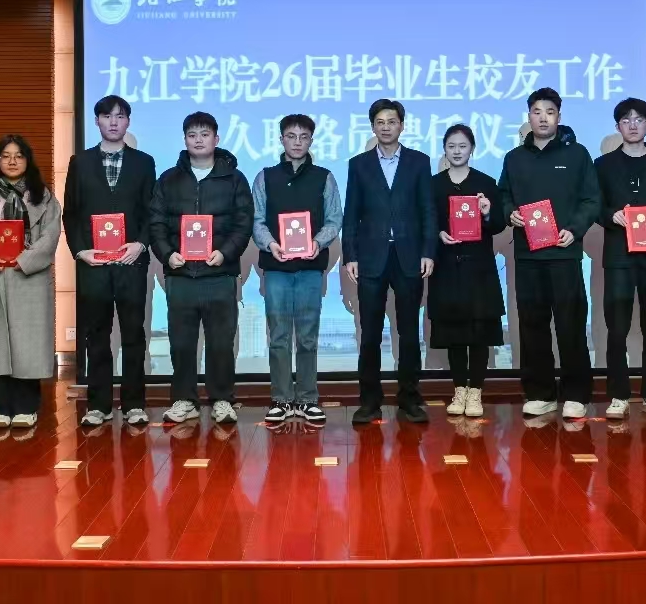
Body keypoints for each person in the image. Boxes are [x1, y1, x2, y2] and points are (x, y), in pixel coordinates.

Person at [498, 87, 600, 420]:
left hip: (564, 254)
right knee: (532, 326)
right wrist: (510, 212)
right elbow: (503, 195)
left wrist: (575, 229)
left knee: (571, 326)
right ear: (529, 116)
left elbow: (592, 199)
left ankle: (576, 394)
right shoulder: (514, 158)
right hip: (528, 256)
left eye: (550, 112)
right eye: (537, 112)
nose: (543, 118)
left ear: (559, 116)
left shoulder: (577, 154)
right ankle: (540, 392)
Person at [150, 111, 253, 426]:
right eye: (192, 134)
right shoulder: (169, 179)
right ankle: (184, 400)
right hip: (181, 274)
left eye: (205, 134)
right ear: (184, 140)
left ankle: (222, 399)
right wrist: (167, 254)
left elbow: (243, 223)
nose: (198, 140)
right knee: (181, 343)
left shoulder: (234, 179)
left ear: (216, 139)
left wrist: (225, 253)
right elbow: (156, 222)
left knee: (221, 342)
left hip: (219, 274)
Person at [63, 96, 157, 429]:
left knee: (133, 334)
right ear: (97, 121)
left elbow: (151, 211)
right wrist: (80, 251)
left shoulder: (143, 163)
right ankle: (98, 404)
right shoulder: (80, 162)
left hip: (131, 262)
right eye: (107, 116)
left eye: (120, 116)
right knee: (97, 335)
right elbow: (71, 213)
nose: (113, 122)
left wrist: (141, 244)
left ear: (128, 121)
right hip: (94, 264)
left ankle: (134, 404)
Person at [342, 99, 438, 425]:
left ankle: (410, 399)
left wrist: (428, 251)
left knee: (409, 333)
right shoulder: (359, 165)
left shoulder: (418, 162)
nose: (386, 127)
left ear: (402, 125)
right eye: (380, 122)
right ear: (373, 126)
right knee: (369, 333)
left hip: (409, 256)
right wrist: (350, 255)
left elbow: (428, 210)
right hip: (370, 258)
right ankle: (369, 401)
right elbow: (351, 213)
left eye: (392, 121)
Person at [0, 135, 62, 429]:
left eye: (19, 156)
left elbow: (51, 235)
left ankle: (27, 407)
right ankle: (0, 407)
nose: (12, 161)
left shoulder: (43, 197)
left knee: (28, 344)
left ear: (28, 160)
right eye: (6, 156)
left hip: (28, 278)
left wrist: (25, 260)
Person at [251, 114, 343, 425]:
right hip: (276, 267)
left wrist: (317, 242)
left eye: (304, 137)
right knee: (278, 335)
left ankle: (307, 399)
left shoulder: (324, 177)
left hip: (310, 267)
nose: (297, 142)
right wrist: (270, 244)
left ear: (311, 141)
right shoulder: (265, 177)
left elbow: (335, 219)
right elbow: (256, 220)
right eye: (291, 136)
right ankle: (280, 399)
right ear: (281, 140)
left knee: (307, 335)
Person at [593, 98, 646, 421]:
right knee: (617, 328)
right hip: (619, 257)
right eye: (626, 120)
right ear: (618, 126)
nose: (632, 125)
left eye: (639, 119)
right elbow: (595, 206)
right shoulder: (603, 165)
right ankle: (619, 395)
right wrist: (611, 216)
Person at [430, 124, 507, 419]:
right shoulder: (434, 185)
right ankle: (459, 389)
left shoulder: (485, 182)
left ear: (472, 149)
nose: (457, 151)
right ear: (444, 150)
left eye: (462, 146)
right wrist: (438, 234)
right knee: (454, 332)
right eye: (451, 146)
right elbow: (426, 221)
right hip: (447, 268)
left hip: (479, 268)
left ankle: (475, 390)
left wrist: (487, 212)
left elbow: (498, 224)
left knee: (478, 332)